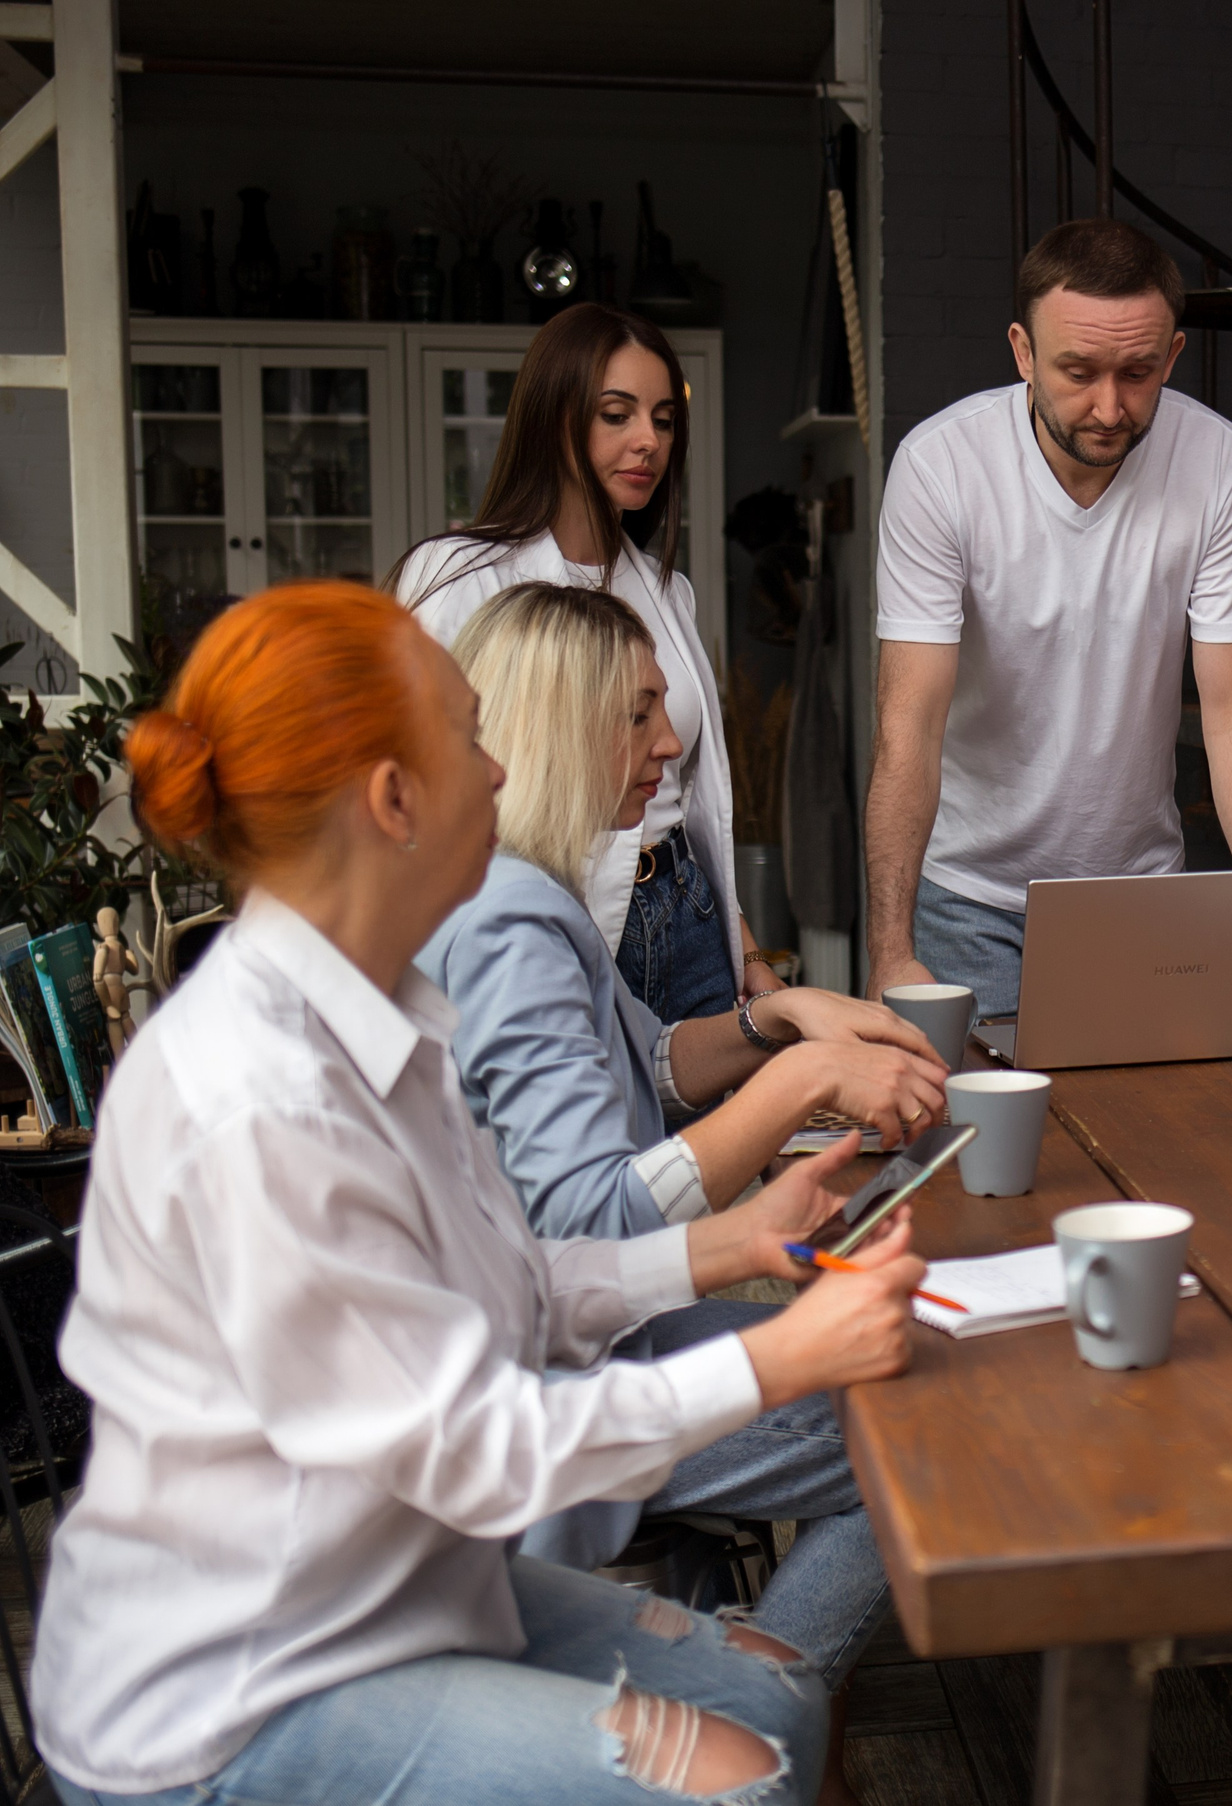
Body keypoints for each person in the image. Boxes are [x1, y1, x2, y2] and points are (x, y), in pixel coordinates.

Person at [35, 582, 924, 1806]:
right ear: (393, 801)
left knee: (776, 1689)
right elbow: (473, 1448)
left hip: (380, 1590)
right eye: (468, 737)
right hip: (233, 1688)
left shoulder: (384, 1011)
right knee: (740, 1775)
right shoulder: (261, 1101)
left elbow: (511, 1274)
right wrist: (778, 1363)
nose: (500, 772)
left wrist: (731, 1245)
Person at [416, 582, 949, 1708]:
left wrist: (780, 1017)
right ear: (563, 723)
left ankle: (749, 1705)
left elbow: (654, 1062)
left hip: (584, 1335)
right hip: (561, 1380)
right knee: (923, 1440)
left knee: (892, 1377)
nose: (668, 745)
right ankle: (754, 1716)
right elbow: (590, 1218)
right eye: (640, 714)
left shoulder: (527, 886)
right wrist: (803, 1078)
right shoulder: (512, 920)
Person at [866, 218, 1232, 1014]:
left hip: (1137, 901)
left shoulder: (1220, 463)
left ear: (1172, 356)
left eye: (1136, 372)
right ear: (1023, 352)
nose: (1108, 406)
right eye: (1077, 370)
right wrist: (890, 949)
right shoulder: (941, 466)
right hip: (968, 899)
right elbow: (908, 723)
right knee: (976, 1137)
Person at [391, 302, 766, 1029]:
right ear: (556, 419)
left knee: (713, 1134)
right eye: (616, 415)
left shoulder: (665, 591)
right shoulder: (459, 577)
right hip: (548, 925)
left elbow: (692, 799)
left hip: (685, 915)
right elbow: (420, 788)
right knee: (580, 1136)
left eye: (662, 419)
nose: (647, 441)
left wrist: (748, 954)